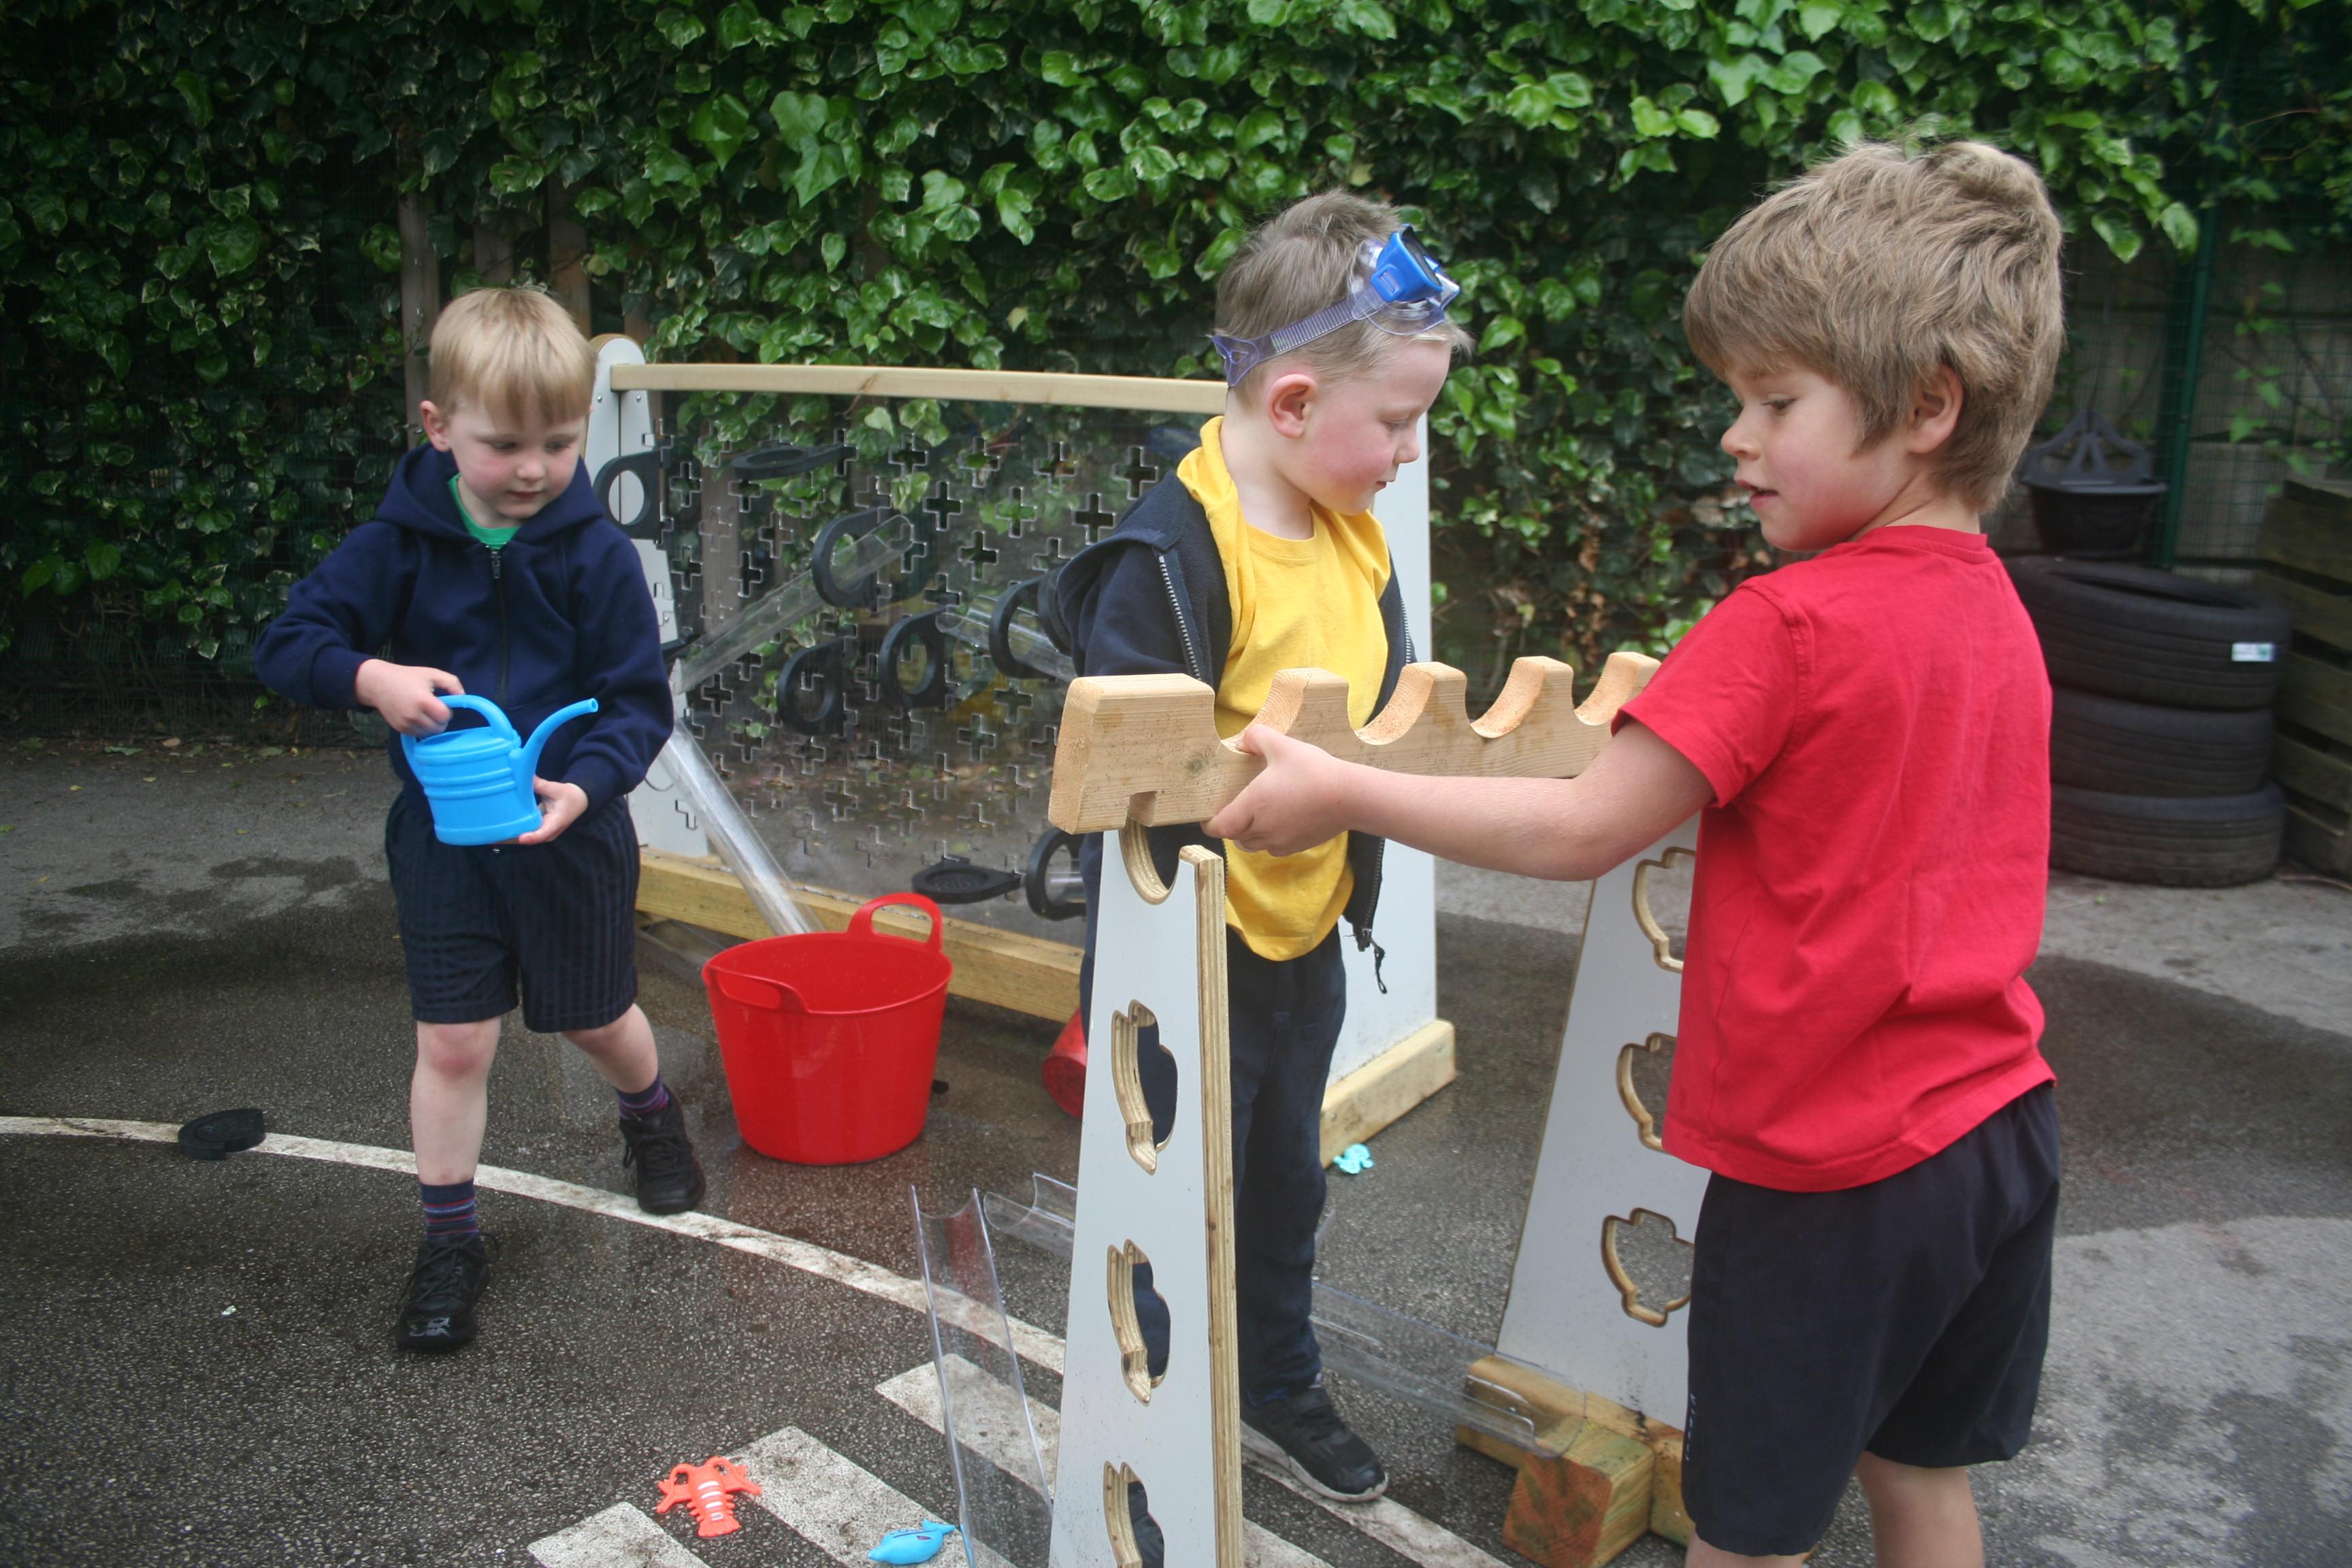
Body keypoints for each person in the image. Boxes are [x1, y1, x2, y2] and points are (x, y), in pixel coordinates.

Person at [1205, 141, 2065, 1568]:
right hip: (1998, 1136)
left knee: (1749, 1530)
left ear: (1928, 406)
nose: (1736, 435)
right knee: (1919, 1479)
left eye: (1775, 400)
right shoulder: (2003, 618)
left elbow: (1579, 826)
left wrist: (1341, 788)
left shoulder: (1789, 624)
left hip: (1828, 1178)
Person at [1057, 191, 1469, 1530]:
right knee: (1179, 1194)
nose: (1412, 452)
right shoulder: (1172, 555)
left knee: (1284, 1181)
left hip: (1300, 939)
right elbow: (1125, 783)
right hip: (1187, 948)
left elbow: (1386, 704)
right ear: (1290, 405)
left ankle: (1276, 1385)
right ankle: (1161, 1392)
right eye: (1398, 423)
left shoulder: (1350, 526)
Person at [256, 287, 691, 1354]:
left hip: (570, 834)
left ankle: (652, 1116)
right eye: (506, 445)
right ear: (439, 427)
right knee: (454, 1041)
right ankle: (451, 1240)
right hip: (446, 845)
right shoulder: (392, 548)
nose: (537, 468)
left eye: (560, 440)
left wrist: (586, 785)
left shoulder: (594, 554)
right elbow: (285, 643)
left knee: (595, 1018)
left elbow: (638, 703)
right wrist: (370, 676)